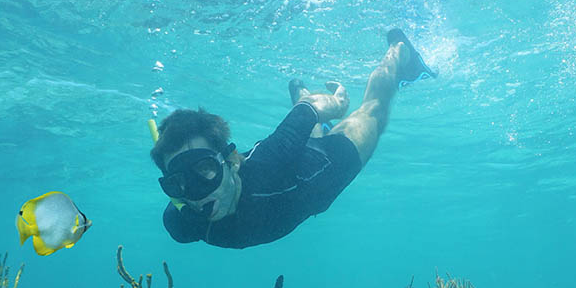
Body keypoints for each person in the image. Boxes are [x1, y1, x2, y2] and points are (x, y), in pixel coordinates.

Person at [151, 28, 435, 249]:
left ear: (231, 160)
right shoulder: (181, 222)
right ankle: (299, 91)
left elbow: (308, 111)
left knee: (375, 110)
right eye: (178, 183)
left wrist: (336, 105)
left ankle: (400, 49)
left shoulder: (272, 159)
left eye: (205, 171)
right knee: (304, 135)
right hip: (296, 164)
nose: (195, 195)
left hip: (329, 166)